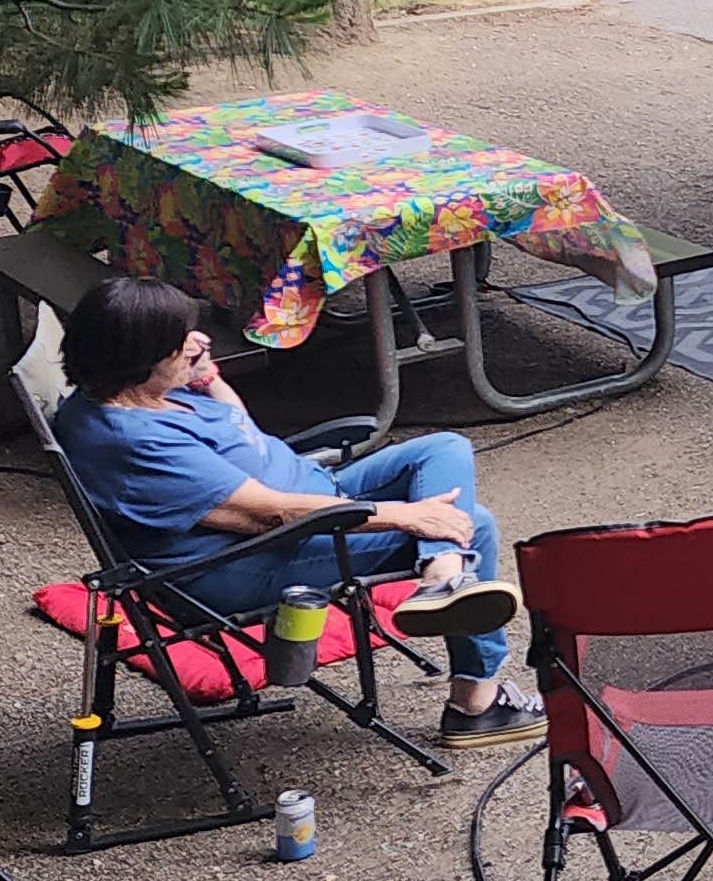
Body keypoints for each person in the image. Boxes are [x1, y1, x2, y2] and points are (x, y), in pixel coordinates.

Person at [51, 274, 542, 748]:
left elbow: (237, 428)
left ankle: (442, 575)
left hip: (312, 497)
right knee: (471, 525)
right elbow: (266, 517)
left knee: (442, 448)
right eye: (183, 342)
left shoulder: (135, 390)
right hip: (243, 561)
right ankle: (476, 704)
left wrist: (209, 380)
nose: (200, 342)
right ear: (141, 359)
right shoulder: (132, 441)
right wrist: (403, 515)